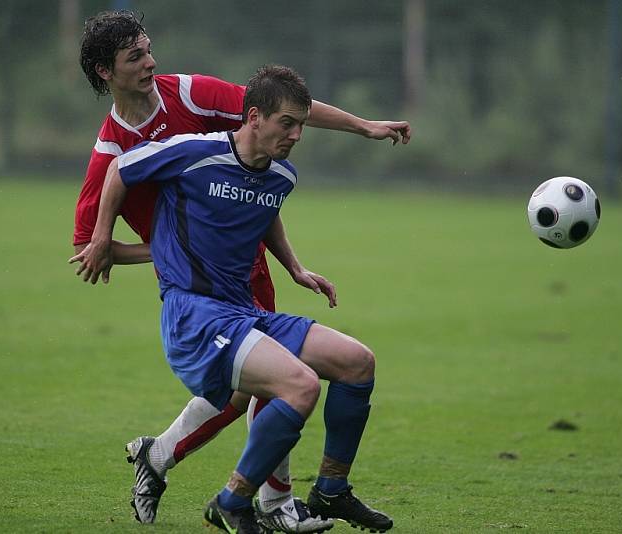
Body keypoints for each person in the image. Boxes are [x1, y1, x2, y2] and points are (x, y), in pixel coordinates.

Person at [73, 10, 410, 531]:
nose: (150, 62)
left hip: (242, 276)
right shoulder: (118, 152)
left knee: (338, 367)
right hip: (198, 295)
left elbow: (282, 107)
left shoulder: (196, 98)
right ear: (104, 71)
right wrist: (172, 252)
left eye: (148, 49)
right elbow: (91, 244)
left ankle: (310, 492)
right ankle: (257, 502)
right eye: (134, 56)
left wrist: (361, 126)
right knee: (282, 387)